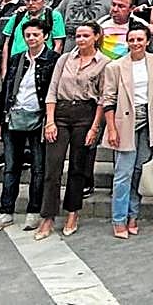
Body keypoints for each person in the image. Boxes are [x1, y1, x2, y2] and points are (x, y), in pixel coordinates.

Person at [36, 21, 107, 240]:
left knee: (78, 166)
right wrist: (50, 121)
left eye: (86, 35)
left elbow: (103, 98)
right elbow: (52, 90)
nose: (81, 39)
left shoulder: (104, 63)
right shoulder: (64, 59)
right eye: (78, 36)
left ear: (96, 37)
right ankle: (47, 216)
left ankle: (72, 213)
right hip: (61, 111)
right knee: (53, 166)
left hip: (85, 114)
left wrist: (95, 127)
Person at [0, 21, 57, 233]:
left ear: (45, 36)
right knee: (11, 167)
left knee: (38, 168)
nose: (31, 38)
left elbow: (53, 91)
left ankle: (33, 211)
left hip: (39, 119)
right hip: (13, 116)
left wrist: (50, 120)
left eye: (35, 34)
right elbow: (7, 88)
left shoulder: (53, 60)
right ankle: (5, 211)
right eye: (27, 35)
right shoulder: (18, 58)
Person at [101, 22, 153, 238]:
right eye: (132, 39)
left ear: (147, 41)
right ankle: (119, 218)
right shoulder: (115, 66)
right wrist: (111, 129)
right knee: (123, 172)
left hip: (149, 121)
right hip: (124, 120)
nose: (136, 43)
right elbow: (107, 99)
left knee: (139, 171)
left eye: (140, 39)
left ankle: (133, 214)